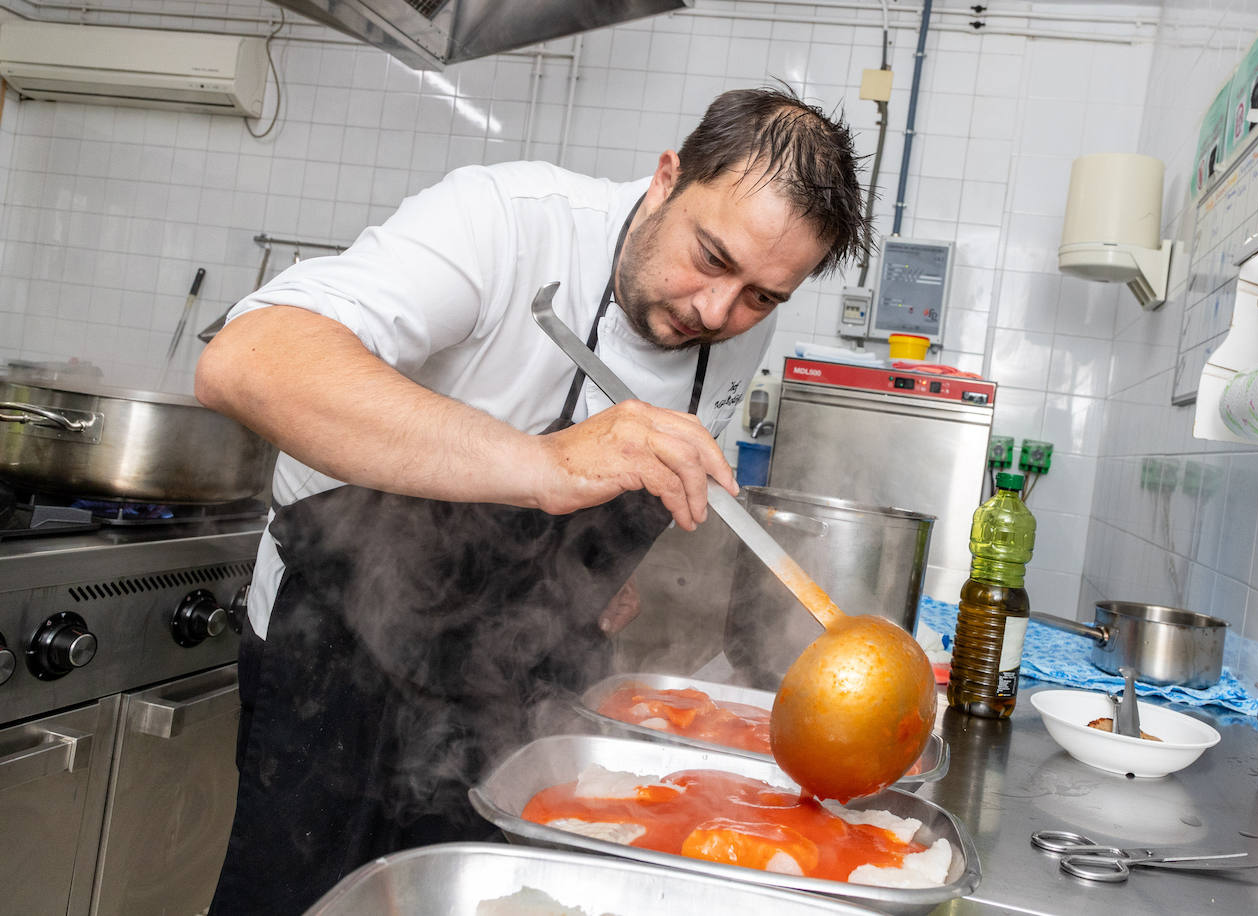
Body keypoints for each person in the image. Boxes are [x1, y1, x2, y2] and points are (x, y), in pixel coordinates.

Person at [196, 85, 871, 914]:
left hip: (521, 700)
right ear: (666, 179)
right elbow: (248, 360)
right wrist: (540, 463)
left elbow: (631, 481)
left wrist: (585, 576)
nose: (716, 311)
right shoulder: (505, 223)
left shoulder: (736, 321)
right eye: (711, 257)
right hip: (338, 668)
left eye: (763, 297)